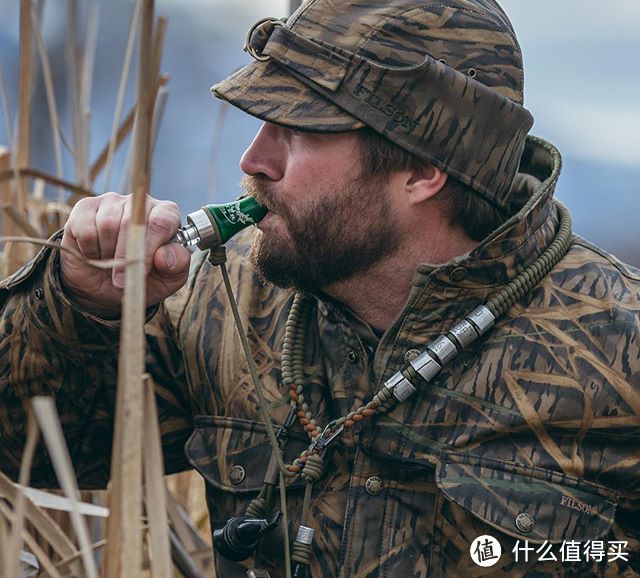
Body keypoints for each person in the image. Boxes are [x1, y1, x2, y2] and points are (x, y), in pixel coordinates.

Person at [1, 0, 639, 576]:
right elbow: (38, 451)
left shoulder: (618, 347)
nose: (253, 160)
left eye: (299, 129)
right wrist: (77, 301)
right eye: (261, 122)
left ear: (422, 168)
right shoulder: (227, 298)